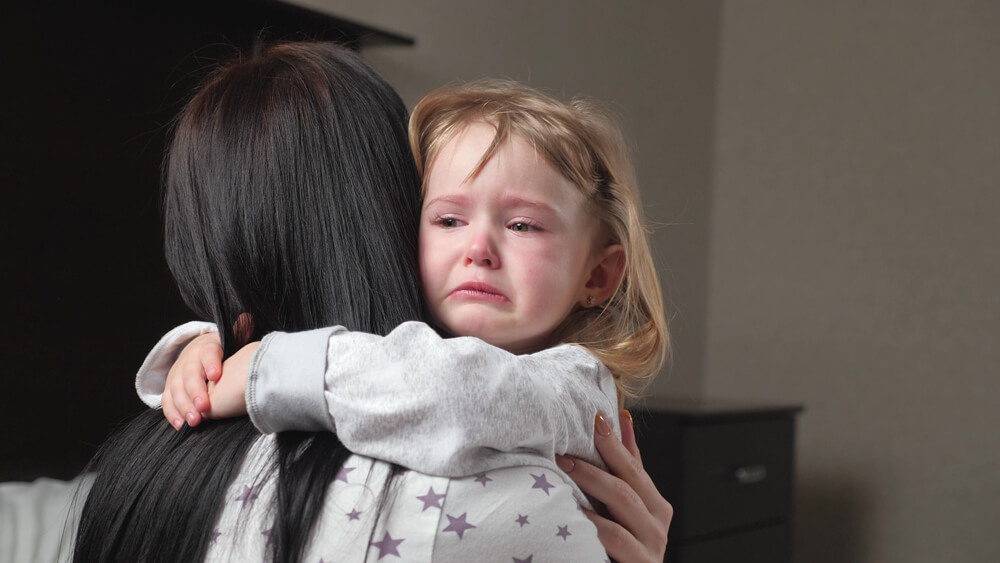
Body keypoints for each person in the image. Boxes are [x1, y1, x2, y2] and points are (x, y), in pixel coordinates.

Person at [71, 43, 670, 563]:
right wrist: (208, 348)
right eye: (448, 219)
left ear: (598, 274)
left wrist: (268, 365)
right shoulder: (404, 367)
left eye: (523, 226)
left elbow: (457, 392)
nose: (479, 248)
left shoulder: (572, 383)